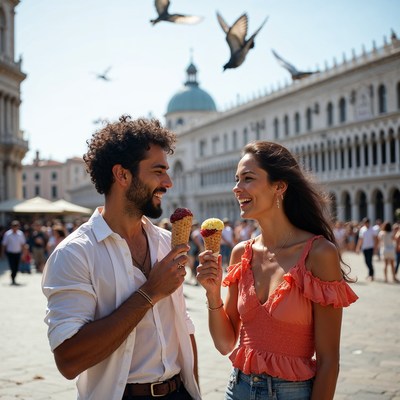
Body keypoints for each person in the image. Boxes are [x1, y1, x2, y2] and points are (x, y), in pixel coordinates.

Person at [42, 115, 201, 400]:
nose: (168, 182)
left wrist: (194, 391)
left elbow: (184, 329)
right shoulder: (75, 253)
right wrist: (150, 292)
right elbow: (69, 360)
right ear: (123, 175)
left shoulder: (166, 243)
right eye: (158, 171)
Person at [196, 141, 358, 400]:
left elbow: (329, 362)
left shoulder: (318, 254)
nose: (237, 188)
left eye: (248, 178)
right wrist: (212, 294)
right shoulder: (241, 253)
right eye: (236, 179)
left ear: (279, 186)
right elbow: (225, 344)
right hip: (237, 388)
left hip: (291, 393)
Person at [1, 220, 26, 285]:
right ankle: (13, 279)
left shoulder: (20, 234)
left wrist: (24, 253)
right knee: (12, 267)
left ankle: (13, 277)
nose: (15, 227)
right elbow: (4, 244)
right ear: (11, 227)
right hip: (10, 253)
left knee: (16, 267)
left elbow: (23, 244)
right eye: (14, 226)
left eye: (16, 226)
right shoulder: (7, 234)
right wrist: (2, 253)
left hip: (18, 253)